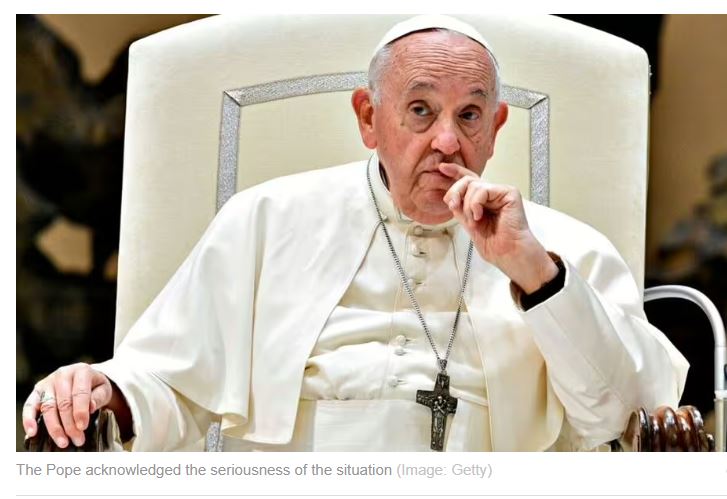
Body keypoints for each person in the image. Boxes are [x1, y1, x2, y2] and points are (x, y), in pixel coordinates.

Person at [22, 15, 688, 452]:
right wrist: (104, 391)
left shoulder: (562, 248)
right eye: (420, 110)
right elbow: (167, 381)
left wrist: (534, 274)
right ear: (369, 117)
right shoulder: (268, 218)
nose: (447, 140)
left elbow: (624, 418)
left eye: (469, 114)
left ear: (497, 126)